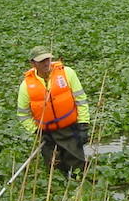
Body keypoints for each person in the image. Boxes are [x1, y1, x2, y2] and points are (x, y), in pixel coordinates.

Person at [16, 46, 91, 176]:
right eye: (41, 61)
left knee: (78, 170)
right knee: (54, 173)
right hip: (48, 136)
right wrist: (37, 131)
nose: (46, 63)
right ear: (33, 63)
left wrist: (83, 124)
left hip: (70, 130)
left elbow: (81, 100)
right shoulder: (26, 86)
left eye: (48, 59)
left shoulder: (67, 73)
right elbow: (23, 115)